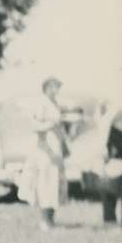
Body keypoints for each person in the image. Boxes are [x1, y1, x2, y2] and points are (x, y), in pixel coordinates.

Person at [18, 77, 69, 230]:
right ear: (46, 87)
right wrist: (50, 125)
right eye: (54, 86)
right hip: (44, 149)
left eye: (58, 86)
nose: (56, 89)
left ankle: (51, 220)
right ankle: (45, 221)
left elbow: (60, 128)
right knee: (46, 183)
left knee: (55, 183)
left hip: (56, 148)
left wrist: (64, 144)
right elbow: (34, 126)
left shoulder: (55, 104)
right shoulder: (41, 103)